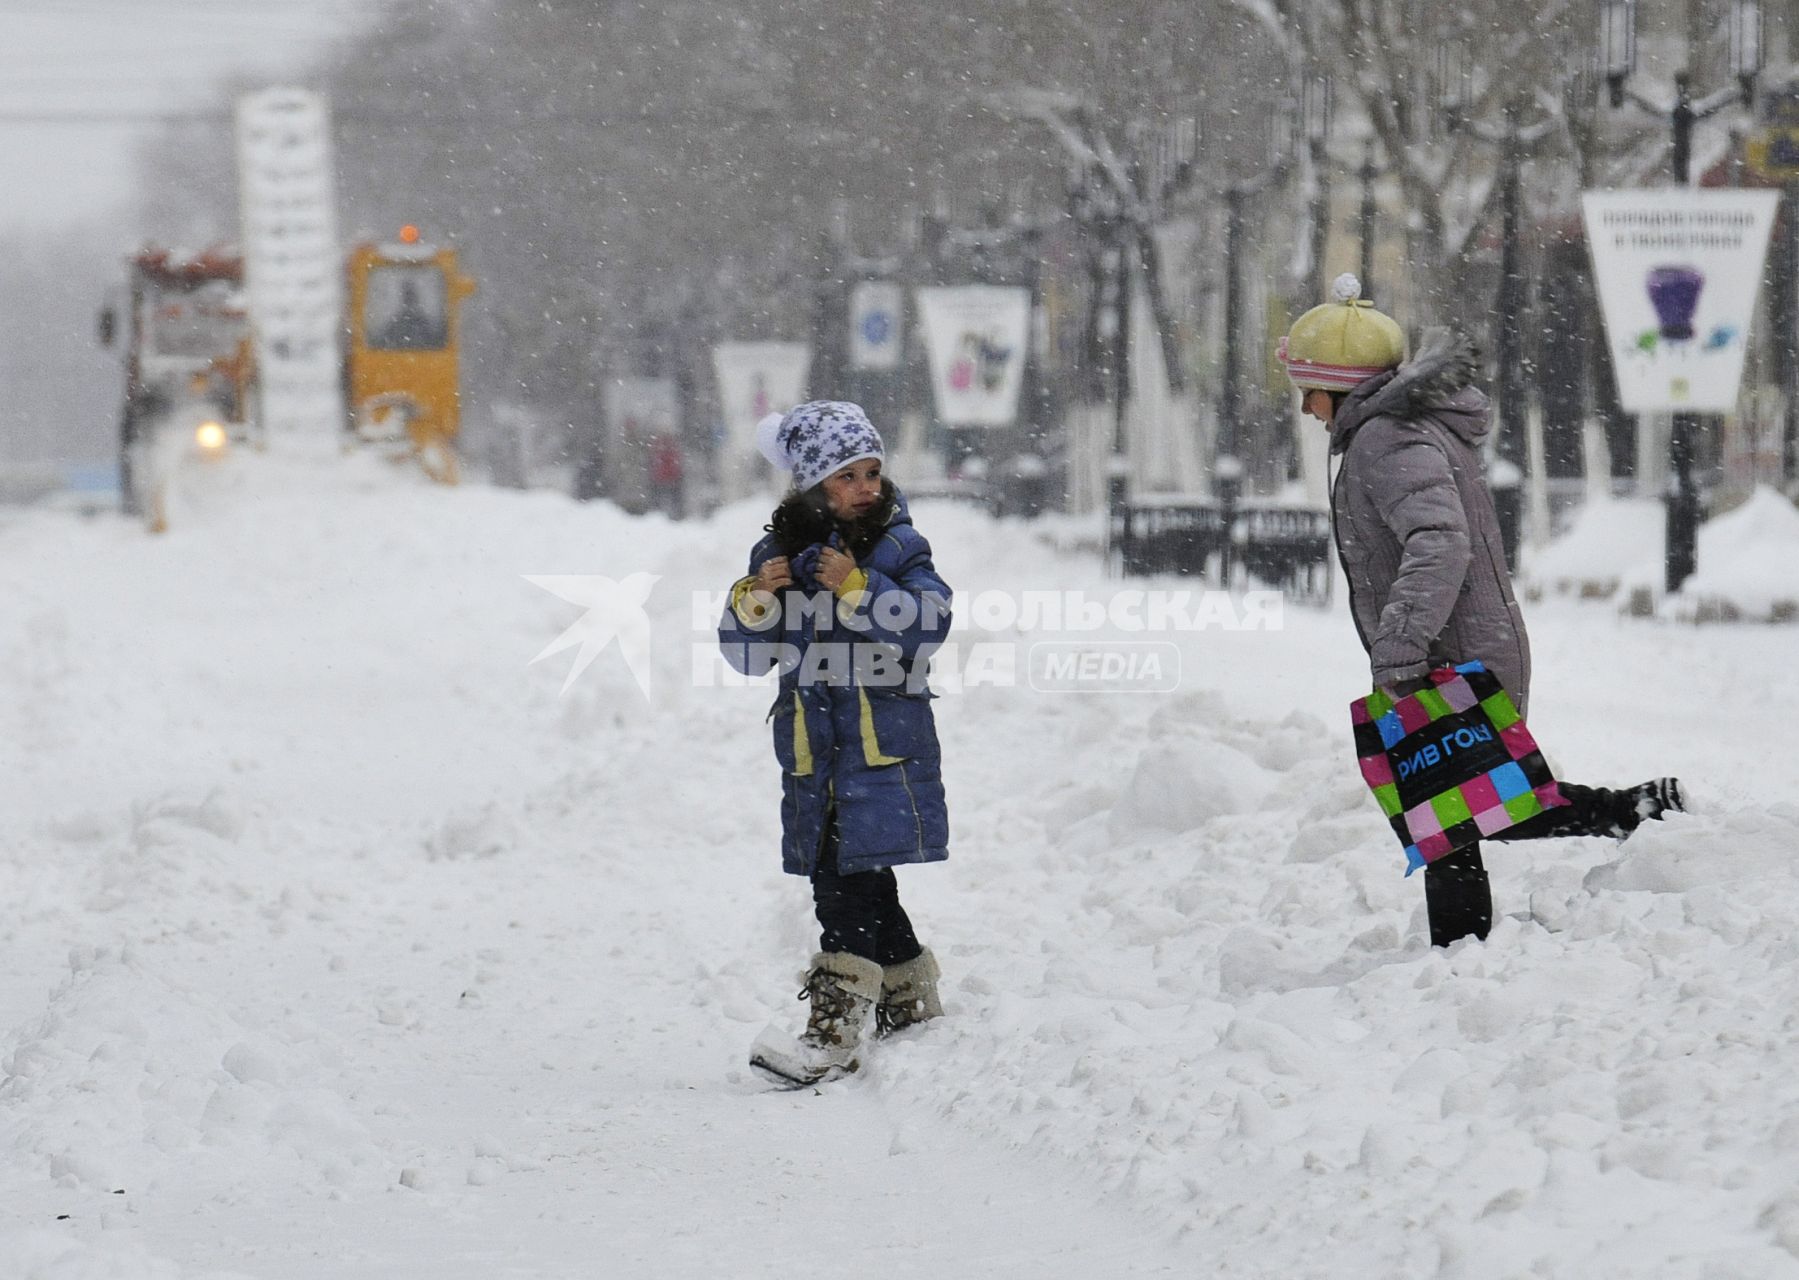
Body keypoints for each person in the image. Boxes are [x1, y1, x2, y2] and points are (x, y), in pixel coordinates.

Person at [1279, 274, 1684, 948]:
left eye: (1308, 391)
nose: (1305, 409)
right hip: (1461, 640)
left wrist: (1400, 647)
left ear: (1336, 385)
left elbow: (1439, 542)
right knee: (1470, 804)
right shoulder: (1397, 432)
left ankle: (1465, 951)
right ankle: (1631, 811)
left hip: (1451, 650)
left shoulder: (1386, 441)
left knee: (1452, 810)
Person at [717, 400, 952, 1085]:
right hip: (812, 747)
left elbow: (928, 623)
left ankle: (834, 1030)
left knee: (839, 884)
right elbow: (744, 658)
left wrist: (857, 586)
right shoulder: (775, 556)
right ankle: (907, 999)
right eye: (848, 476)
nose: (866, 488)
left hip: (883, 745)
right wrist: (754, 600)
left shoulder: (899, 547)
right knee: (860, 873)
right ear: (814, 484)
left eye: (873, 472)